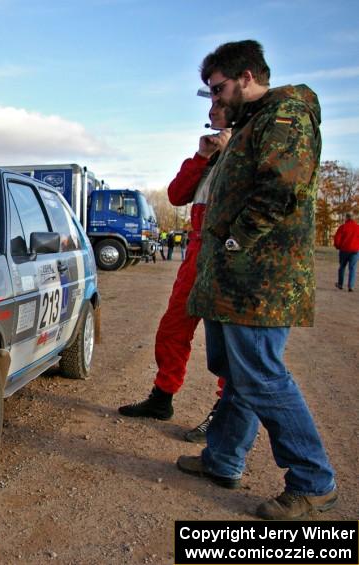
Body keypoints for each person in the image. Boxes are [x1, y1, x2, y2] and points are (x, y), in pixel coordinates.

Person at [179, 40, 337, 521]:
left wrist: (234, 240)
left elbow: (282, 188)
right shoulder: (249, 125)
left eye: (218, 89)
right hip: (234, 281)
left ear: (247, 77)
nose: (215, 101)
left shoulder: (285, 114)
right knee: (239, 376)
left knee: (262, 377)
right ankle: (223, 459)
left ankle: (313, 481)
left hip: (260, 281)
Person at [119, 101, 231, 442]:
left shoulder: (249, 148)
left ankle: (225, 415)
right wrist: (201, 157)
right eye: (210, 103)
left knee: (227, 341)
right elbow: (177, 194)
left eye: (219, 103)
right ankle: (162, 398)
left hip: (227, 253)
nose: (212, 111)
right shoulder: (210, 155)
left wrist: (231, 153)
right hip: (197, 250)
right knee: (172, 328)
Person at [333, 212, 359, 291]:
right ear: (353, 218)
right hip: (355, 250)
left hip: (344, 250)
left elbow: (337, 238)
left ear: (347, 218)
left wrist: (338, 246)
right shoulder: (357, 227)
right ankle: (350, 286)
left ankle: (340, 284)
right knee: (353, 268)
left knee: (342, 267)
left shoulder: (342, 227)